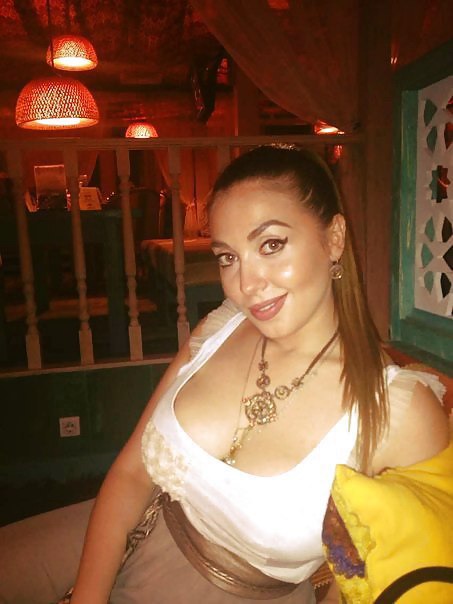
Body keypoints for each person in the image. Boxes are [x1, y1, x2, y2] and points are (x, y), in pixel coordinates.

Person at [0, 144, 450, 604]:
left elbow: (369, 579)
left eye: (271, 245)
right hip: (132, 526)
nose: (246, 284)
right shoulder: (221, 327)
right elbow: (133, 472)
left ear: (334, 238)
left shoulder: (399, 411)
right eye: (228, 257)